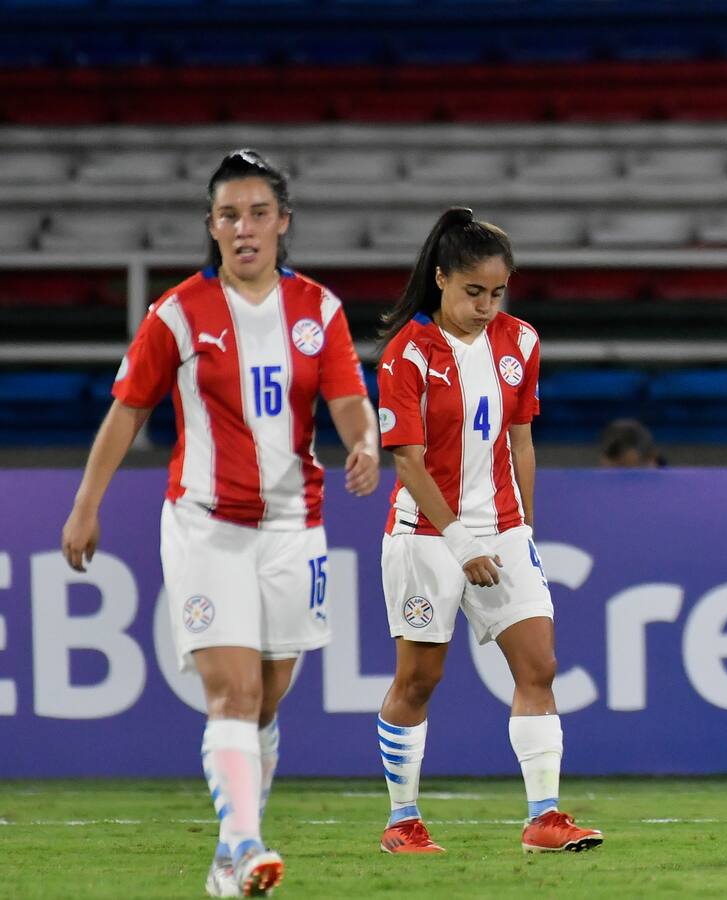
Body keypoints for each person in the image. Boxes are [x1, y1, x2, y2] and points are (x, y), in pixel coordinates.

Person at [60, 149, 380, 896]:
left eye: (258, 213)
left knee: (267, 700)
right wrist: (86, 503)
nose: (244, 227)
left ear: (283, 223)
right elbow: (128, 409)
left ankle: (228, 861)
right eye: (229, 215)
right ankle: (241, 844)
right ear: (211, 226)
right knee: (231, 694)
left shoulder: (318, 310)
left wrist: (363, 440)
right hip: (206, 526)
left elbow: (346, 400)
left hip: (294, 527)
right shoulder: (177, 312)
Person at [372, 207, 602, 855]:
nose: (485, 306)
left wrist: (524, 526)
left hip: (501, 532)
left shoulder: (520, 342)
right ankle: (403, 820)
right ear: (441, 279)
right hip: (424, 536)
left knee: (540, 664)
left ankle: (545, 818)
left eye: (496, 293)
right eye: (473, 292)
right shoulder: (407, 355)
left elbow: (521, 440)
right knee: (419, 680)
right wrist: (458, 540)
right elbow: (408, 462)